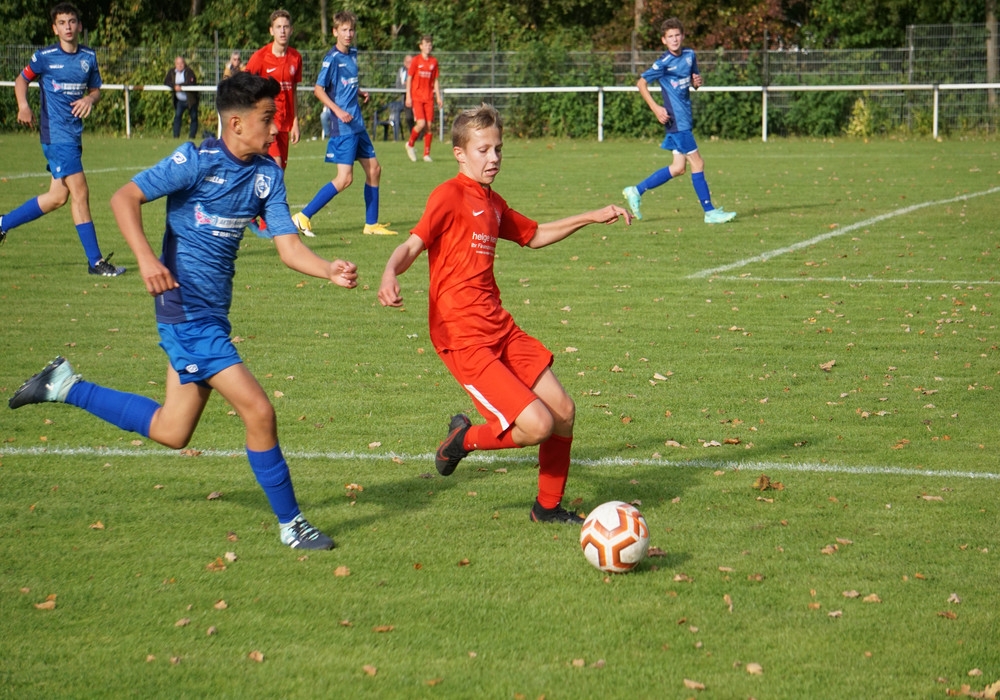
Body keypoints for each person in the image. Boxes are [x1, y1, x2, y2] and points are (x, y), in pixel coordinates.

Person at [8, 71, 359, 551]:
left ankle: (63, 385)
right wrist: (147, 258)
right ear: (236, 124)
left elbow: (289, 247)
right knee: (259, 411)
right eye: (267, 119)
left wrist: (327, 270)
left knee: (172, 430)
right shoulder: (195, 161)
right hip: (184, 311)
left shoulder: (266, 175)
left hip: (212, 316)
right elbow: (124, 197)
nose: (276, 128)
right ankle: (292, 524)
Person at [378, 104, 632, 524]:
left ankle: (546, 508)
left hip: (500, 328)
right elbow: (412, 244)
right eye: (483, 150)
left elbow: (535, 235)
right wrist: (390, 272)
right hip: (462, 337)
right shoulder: (448, 195)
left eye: (498, 149)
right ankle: (462, 440)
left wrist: (591, 216)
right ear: (460, 154)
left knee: (563, 412)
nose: (493, 157)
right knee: (537, 425)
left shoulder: (493, 202)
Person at [0, 2, 125, 277]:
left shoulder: (88, 56)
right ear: (54, 28)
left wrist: (90, 99)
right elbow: (21, 80)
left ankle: (2, 224)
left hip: (72, 135)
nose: (67, 27)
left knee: (57, 197)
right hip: (56, 135)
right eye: (62, 23)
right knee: (80, 192)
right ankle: (96, 262)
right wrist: (23, 105)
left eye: (71, 21)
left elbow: (95, 90)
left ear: (79, 25)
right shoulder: (44, 57)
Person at [622, 18, 736, 225]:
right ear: (664, 40)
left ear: (682, 36)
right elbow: (641, 83)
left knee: (678, 168)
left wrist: (696, 83)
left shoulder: (690, 55)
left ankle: (635, 191)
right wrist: (656, 108)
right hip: (676, 122)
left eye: (677, 35)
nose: (674, 39)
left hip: (685, 119)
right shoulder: (663, 63)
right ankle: (709, 212)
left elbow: (694, 81)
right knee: (698, 163)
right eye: (670, 37)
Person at [292, 11, 396, 237]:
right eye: (344, 30)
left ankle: (371, 224)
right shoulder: (331, 59)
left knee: (374, 169)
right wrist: (338, 111)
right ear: (335, 32)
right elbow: (318, 90)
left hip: (357, 124)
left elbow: (345, 84)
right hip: (343, 127)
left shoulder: (353, 54)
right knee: (345, 178)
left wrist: (359, 92)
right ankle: (303, 216)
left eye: (351, 30)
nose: (349, 34)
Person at [244, 10, 301, 170]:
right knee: (275, 166)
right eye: (278, 27)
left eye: (285, 27)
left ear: (291, 30)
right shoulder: (260, 57)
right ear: (271, 31)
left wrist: (295, 122)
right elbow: (245, 85)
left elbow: (293, 92)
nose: (282, 31)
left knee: (279, 171)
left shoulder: (296, 57)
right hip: (266, 121)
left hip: (284, 124)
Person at [404, 36, 442, 163]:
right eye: (426, 45)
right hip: (417, 97)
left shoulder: (434, 61)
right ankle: (410, 144)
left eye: (430, 45)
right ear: (421, 46)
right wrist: (408, 96)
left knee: (429, 126)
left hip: (429, 98)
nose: (428, 47)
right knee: (421, 123)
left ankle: (426, 154)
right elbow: (409, 78)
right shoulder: (416, 60)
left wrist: (438, 97)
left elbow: (435, 80)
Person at [165, 56, 199, 140]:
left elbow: (191, 82)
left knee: (194, 117)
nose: (180, 65)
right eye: (178, 63)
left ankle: (192, 137)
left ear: (184, 63)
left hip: (190, 100)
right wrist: (174, 86)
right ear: (175, 64)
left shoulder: (189, 71)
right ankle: (176, 136)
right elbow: (166, 81)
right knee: (177, 117)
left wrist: (180, 86)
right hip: (180, 101)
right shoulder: (172, 72)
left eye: (181, 63)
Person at [395, 54, 414, 134]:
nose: (410, 64)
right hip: (406, 97)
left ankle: (419, 135)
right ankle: (413, 134)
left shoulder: (417, 70)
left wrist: (411, 84)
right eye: (408, 62)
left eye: (411, 62)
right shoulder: (401, 71)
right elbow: (398, 85)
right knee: (409, 117)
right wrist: (406, 86)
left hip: (417, 96)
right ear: (404, 63)